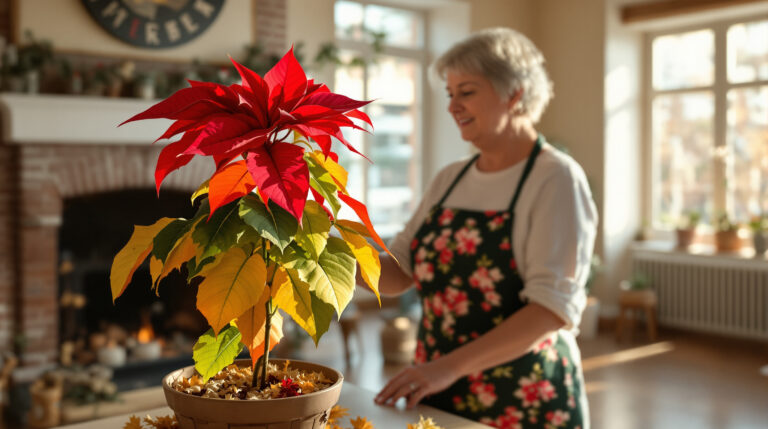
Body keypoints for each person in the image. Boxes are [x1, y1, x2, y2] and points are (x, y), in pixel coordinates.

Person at [371, 27, 597, 428]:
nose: (452, 105)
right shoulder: (450, 177)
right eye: (450, 93)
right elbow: (397, 272)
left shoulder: (556, 178)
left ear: (515, 93)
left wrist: (444, 368)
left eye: (467, 91)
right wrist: (319, 250)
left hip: (525, 397)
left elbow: (550, 310)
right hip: (440, 389)